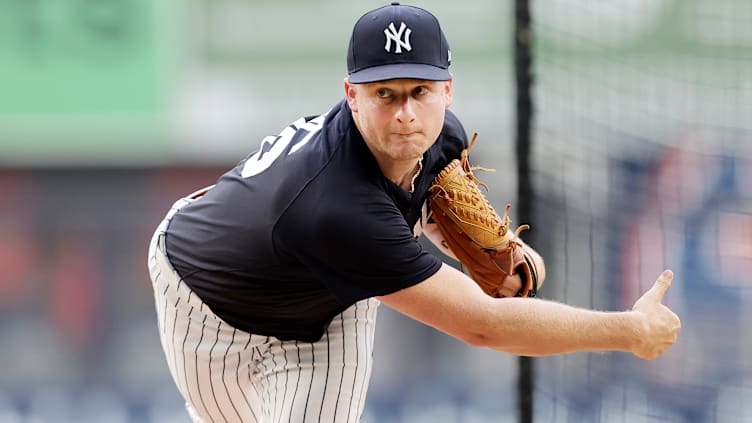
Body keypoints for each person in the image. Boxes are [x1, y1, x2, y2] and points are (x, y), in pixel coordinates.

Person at [146, 3, 681, 422]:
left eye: (420, 90)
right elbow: (484, 327)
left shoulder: (440, 138)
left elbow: (440, 225)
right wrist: (630, 331)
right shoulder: (337, 209)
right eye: (385, 94)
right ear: (351, 95)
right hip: (208, 302)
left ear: (448, 90)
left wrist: (493, 253)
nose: (405, 113)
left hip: (330, 299)